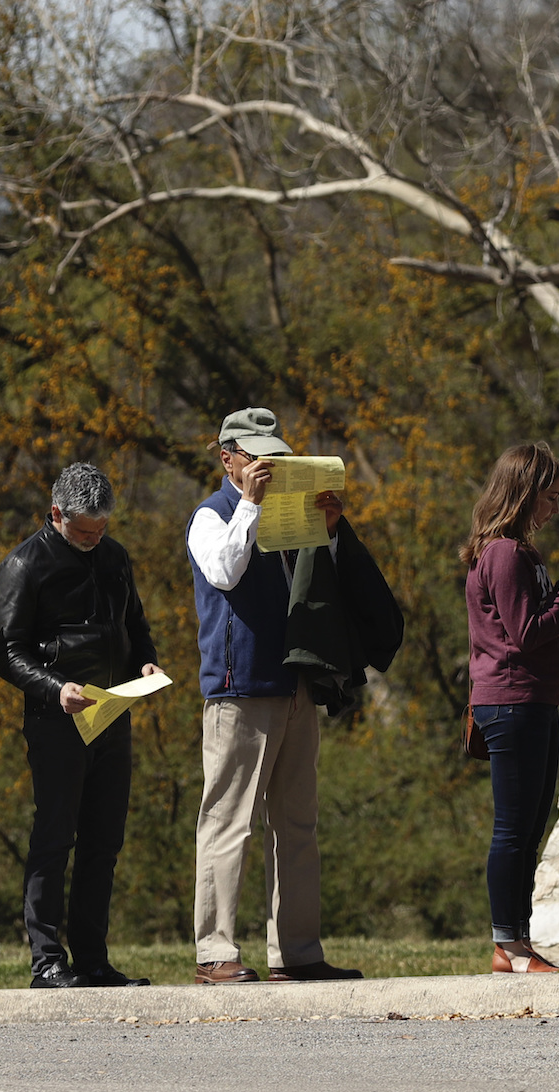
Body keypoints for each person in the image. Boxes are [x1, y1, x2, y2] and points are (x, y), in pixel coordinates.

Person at [187, 407, 399, 985]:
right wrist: (251, 506)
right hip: (240, 687)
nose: (268, 467)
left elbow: (316, 585)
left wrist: (329, 531)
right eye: (257, 457)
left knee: (297, 822)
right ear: (228, 457)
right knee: (230, 820)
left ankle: (298, 951)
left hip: (296, 681)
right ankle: (216, 951)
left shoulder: (287, 510)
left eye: (276, 457)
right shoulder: (210, 516)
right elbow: (225, 573)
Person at [0, 463, 161, 989]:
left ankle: (93, 958)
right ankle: (47, 959)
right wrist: (53, 687)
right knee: (54, 836)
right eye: (84, 530)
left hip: (112, 712)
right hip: (57, 718)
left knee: (104, 840)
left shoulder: (113, 556)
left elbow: (134, 623)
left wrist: (147, 663)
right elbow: (6, 652)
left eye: (102, 529)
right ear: (57, 513)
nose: (94, 539)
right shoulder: (25, 564)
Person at [462, 443, 559, 974]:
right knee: (514, 829)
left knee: (530, 825)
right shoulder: (505, 553)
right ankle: (508, 944)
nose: (555, 508)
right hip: (512, 703)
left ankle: (517, 941)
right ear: (523, 492)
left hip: (532, 701)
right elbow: (525, 634)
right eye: (549, 497)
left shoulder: (515, 552)